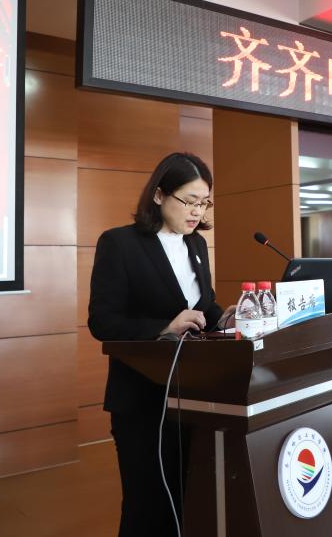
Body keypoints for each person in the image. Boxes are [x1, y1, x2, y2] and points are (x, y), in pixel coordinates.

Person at [88, 152, 223, 535]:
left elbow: (204, 307)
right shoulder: (120, 243)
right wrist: (164, 326)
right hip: (141, 398)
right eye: (189, 201)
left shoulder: (196, 245)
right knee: (145, 507)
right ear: (160, 195)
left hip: (192, 394)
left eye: (204, 203)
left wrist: (226, 317)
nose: (197, 212)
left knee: (185, 499)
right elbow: (102, 322)